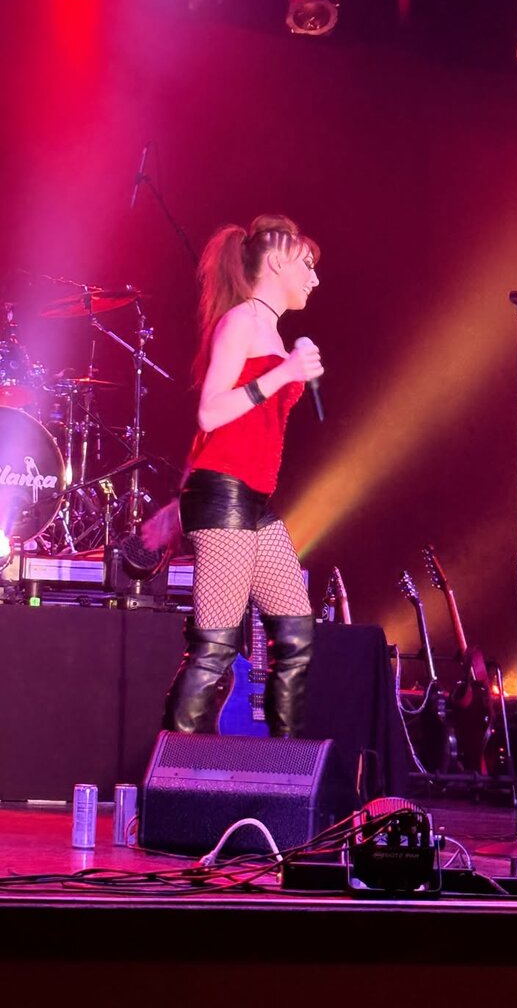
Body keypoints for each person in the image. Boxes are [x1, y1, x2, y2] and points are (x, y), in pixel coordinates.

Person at [160, 213, 323, 738]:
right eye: (306, 265)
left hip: (251, 497)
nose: (314, 278)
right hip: (225, 493)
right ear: (275, 262)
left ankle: (288, 767)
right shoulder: (241, 322)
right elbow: (210, 413)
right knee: (215, 646)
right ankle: (175, 773)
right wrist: (284, 373)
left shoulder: (268, 327)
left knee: (296, 634)